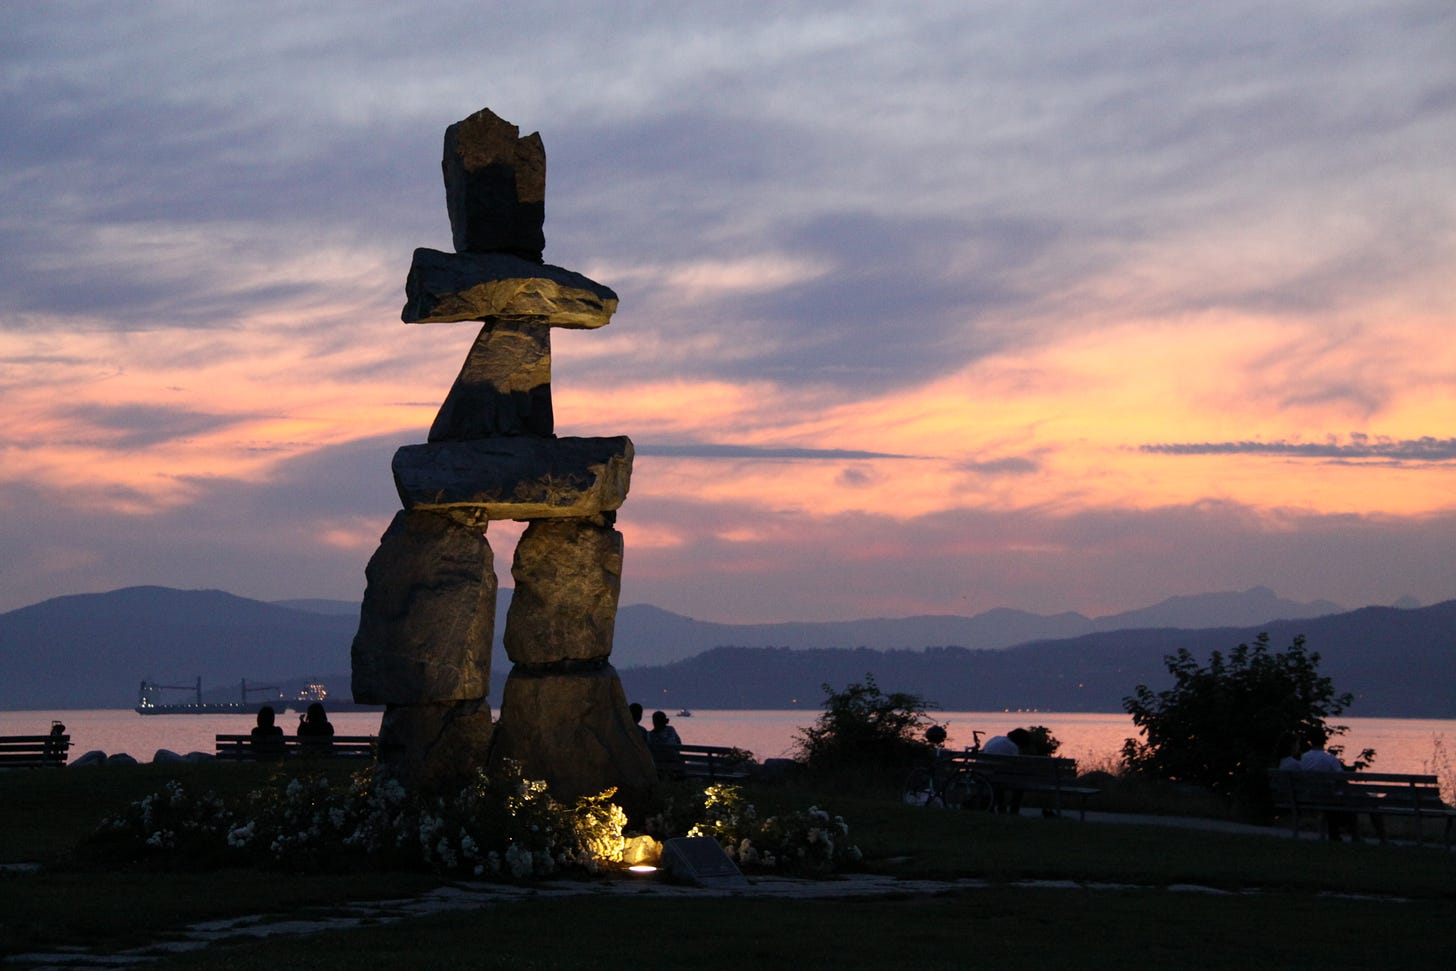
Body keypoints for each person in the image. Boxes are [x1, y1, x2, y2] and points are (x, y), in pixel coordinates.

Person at [980, 728, 1033, 815]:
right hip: (994, 777)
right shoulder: (1012, 747)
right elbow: (1014, 766)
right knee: (1019, 785)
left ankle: (1001, 808)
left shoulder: (995, 738)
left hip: (982, 775)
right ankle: (1013, 811)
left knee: (999, 781)